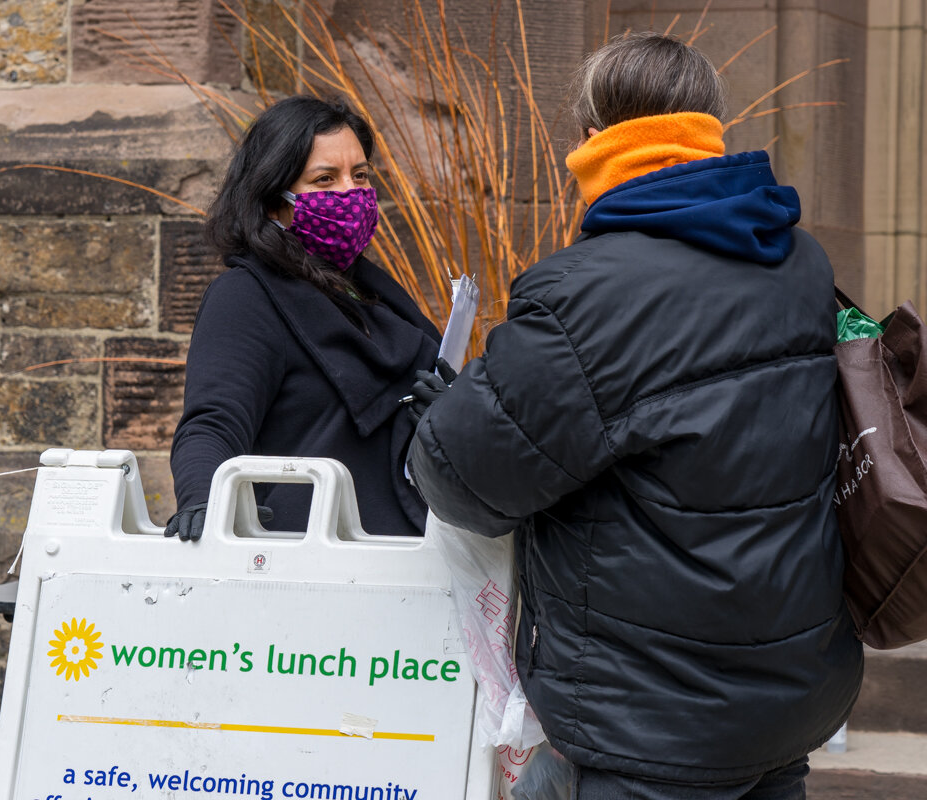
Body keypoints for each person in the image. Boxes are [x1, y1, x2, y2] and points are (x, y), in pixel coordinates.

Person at [406, 33, 863, 799]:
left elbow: (463, 487)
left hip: (650, 722)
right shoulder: (801, 263)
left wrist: (447, 415)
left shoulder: (583, 295)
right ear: (710, 132)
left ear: (591, 141)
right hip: (788, 698)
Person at [167, 95, 442, 541]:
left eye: (361, 175)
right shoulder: (246, 296)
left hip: (410, 553)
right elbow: (214, 422)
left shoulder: (370, 291)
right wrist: (204, 498)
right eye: (325, 179)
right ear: (274, 200)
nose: (351, 193)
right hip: (308, 561)